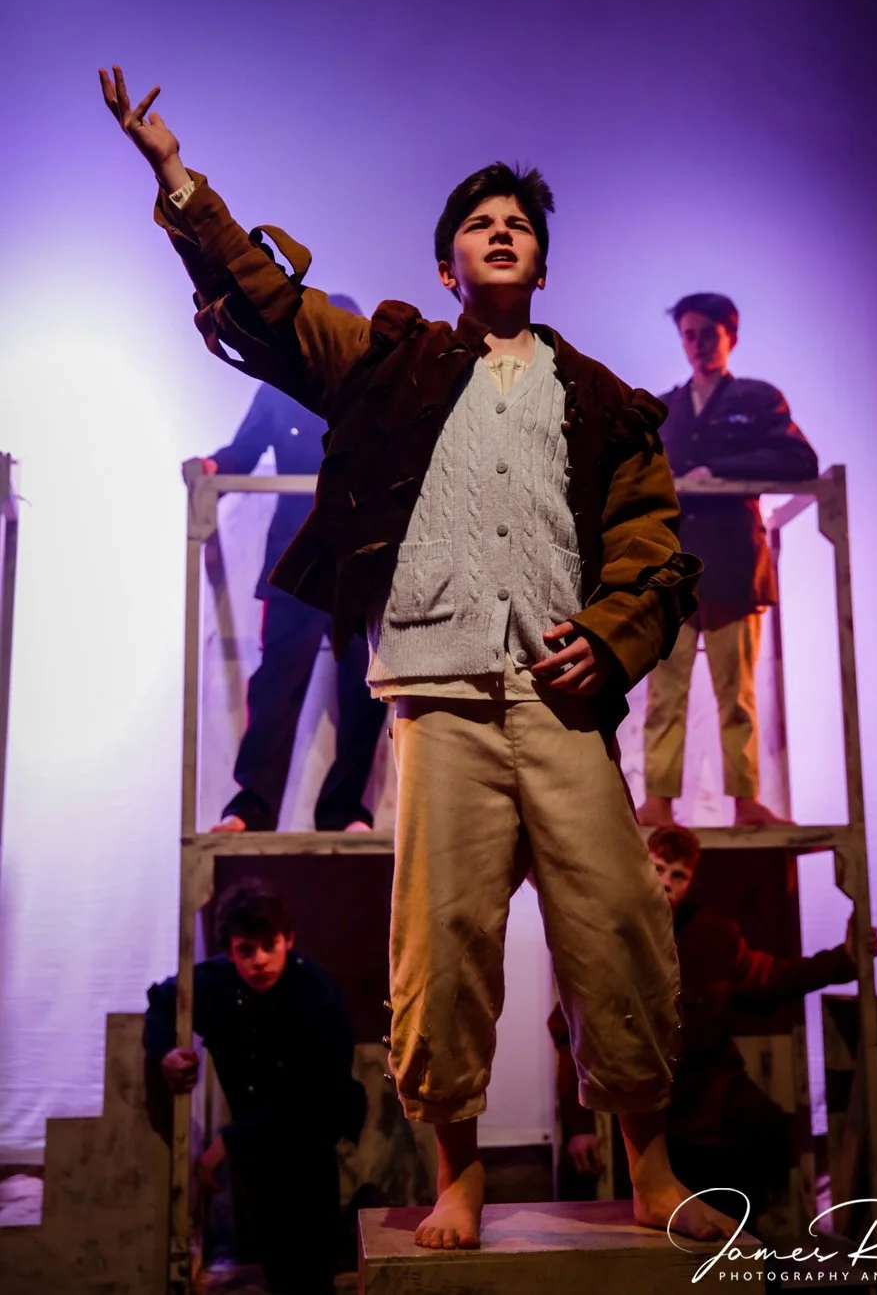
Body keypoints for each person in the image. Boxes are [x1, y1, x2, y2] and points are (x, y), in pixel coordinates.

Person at [100, 64, 738, 1251]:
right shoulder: (392, 361)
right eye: (478, 224)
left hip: (558, 700)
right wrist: (180, 183)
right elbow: (274, 306)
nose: (500, 233)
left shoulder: (602, 402)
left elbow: (651, 548)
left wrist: (609, 640)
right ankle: (458, 1177)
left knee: (618, 927)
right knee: (440, 942)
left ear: (541, 264)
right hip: (439, 698)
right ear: (448, 266)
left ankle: (651, 1173)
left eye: (518, 225)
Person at [550, 826, 877, 1228]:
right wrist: (581, 1127)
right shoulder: (611, 934)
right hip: (642, 1100)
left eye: (678, 875)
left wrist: (843, 959)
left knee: (765, 1131)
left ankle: (744, 1238)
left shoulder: (712, 932)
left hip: (707, 1094)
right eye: (658, 869)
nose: (666, 883)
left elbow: (768, 978)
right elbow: (571, 1030)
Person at [639, 292, 819, 829]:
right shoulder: (664, 409)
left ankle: (745, 802)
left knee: (736, 695)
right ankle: (658, 802)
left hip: (734, 567)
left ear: (730, 336)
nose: (697, 345)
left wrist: (718, 470)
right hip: (673, 573)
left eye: (708, 334)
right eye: (689, 335)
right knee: (664, 694)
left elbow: (799, 459)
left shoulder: (757, 400)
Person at [186, 360, 388, 833]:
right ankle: (253, 806)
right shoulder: (281, 387)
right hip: (295, 561)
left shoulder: (376, 385)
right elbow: (244, 450)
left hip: (360, 562)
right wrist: (212, 468)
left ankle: (343, 809)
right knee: (276, 683)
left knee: (367, 687)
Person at [144, 878, 366, 1295]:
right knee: (274, 1260)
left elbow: (313, 1094)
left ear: (289, 940)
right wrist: (165, 1054)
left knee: (312, 1263)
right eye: (247, 950)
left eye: (270, 946)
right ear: (230, 951)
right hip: (256, 1148)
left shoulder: (316, 993)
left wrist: (224, 1143)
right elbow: (161, 1000)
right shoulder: (216, 982)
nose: (260, 960)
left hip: (311, 1136)